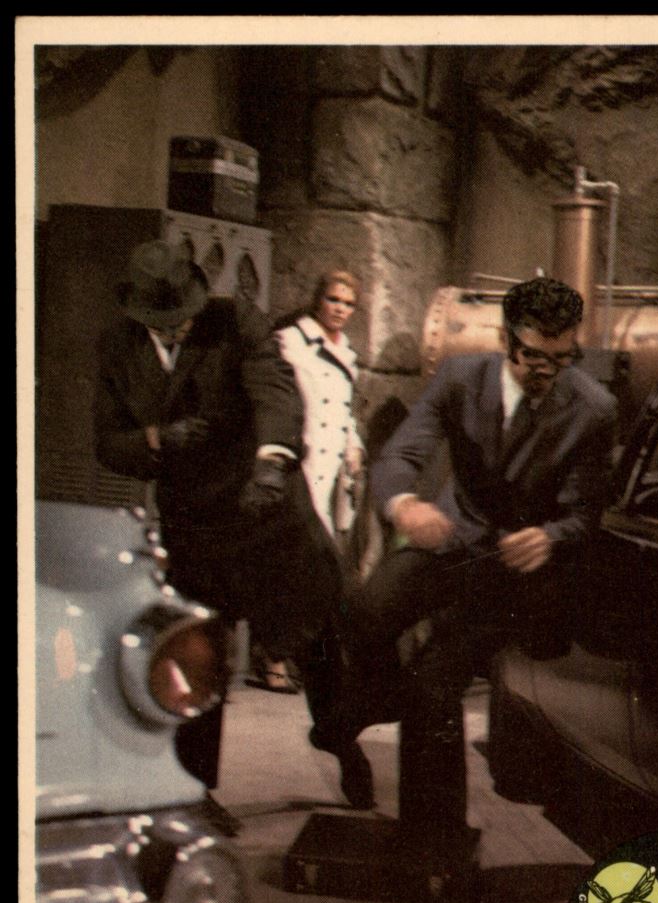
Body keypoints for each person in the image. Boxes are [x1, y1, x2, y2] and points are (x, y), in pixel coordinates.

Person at [312, 276, 618, 837]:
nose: (547, 370)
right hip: (451, 538)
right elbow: (401, 454)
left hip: (515, 574)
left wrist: (551, 536)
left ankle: (432, 838)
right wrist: (404, 504)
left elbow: (585, 514)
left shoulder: (594, 409)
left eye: (562, 357)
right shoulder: (459, 378)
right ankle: (376, 700)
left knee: (433, 686)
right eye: (533, 355)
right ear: (506, 339)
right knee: (362, 613)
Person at [94, 240, 371, 806]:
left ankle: (339, 739)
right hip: (195, 521)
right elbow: (107, 443)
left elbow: (275, 391)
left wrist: (272, 460)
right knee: (201, 652)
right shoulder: (117, 346)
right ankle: (198, 791)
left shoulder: (234, 322)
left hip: (265, 506)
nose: (178, 329)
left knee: (315, 630)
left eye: (184, 317)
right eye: (164, 322)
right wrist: (155, 439)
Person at [248, 269, 366, 694]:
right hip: (298, 465)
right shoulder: (291, 341)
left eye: (348, 303)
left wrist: (354, 446)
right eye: (334, 300)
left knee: (318, 567)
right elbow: (277, 396)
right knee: (291, 564)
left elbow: (345, 409)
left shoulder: (347, 352)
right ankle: (273, 657)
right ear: (319, 300)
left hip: (330, 471)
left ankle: (295, 653)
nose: (340, 309)